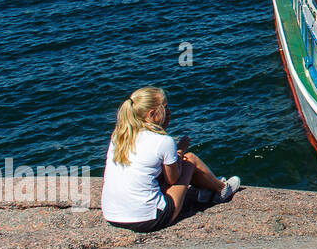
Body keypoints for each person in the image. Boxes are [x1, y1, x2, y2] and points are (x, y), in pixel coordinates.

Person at [102, 87, 240, 233]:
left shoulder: (119, 136)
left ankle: (206, 191)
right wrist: (180, 150)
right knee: (190, 159)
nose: (168, 111)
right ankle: (222, 189)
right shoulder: (163, 141)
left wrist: (164, 130)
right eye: (165, 107)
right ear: (152, 113)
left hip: (112, 215)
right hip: (148, 219)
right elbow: (173, 180)